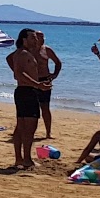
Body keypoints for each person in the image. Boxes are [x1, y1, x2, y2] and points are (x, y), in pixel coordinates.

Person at [7, 29, 50, 169]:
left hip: (25, 91)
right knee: (29, 128)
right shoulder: (23, 53)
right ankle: (26, 159)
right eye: (32, 38)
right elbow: (19, 73)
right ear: (24, 39)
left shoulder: (22, 53)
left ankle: (20, 159)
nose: (36, 40)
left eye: (36, 38)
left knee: (21, 127)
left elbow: (15, 68)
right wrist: (37, 84)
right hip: (27, 91)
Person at [32, 30, 62, 139]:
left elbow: (58, 63)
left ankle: (48, 132)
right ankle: (30, 131)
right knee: (32, 108)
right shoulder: (28, 50)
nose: (42, 39)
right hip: (32, 81)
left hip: (44, 80)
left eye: (43, 37)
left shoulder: (47, 50)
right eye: (40, 37)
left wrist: (54, 75)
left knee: (45, 107)